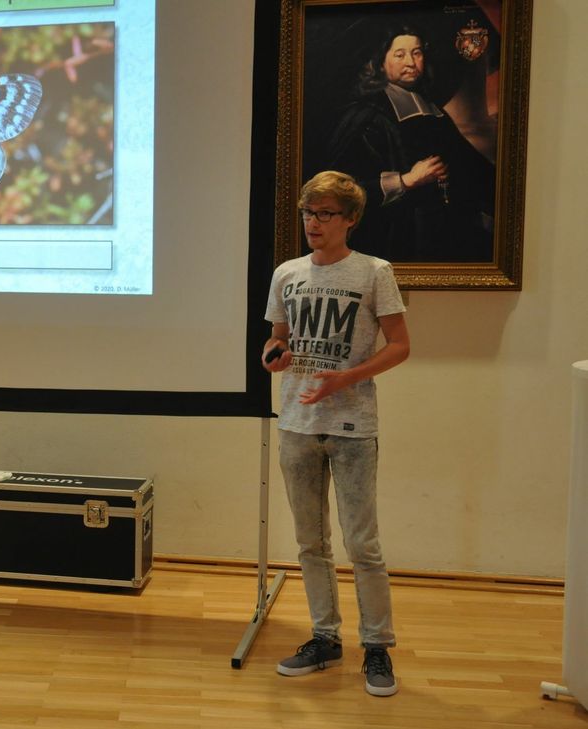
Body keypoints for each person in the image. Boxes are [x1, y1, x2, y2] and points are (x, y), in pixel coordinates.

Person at [263, 170, 410, 697]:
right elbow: (277, 340)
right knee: (310, 542)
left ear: (350, 219)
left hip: (351, 427)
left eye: (325, 214)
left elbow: (399, 345)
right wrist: (273, 358)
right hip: (297, 425)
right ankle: (325, 637)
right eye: (308, 212)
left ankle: (377, 647)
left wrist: (344, 378)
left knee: (362, 543)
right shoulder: (287, 274)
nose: (314, 222)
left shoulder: (374, 272)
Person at [325, 25, 495, 263]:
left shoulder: (433, 111)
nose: (410, 62)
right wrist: (407, 181)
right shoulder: (366, 117)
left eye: (416, 53)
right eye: (400, 54)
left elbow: (469, 163)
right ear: (380, 63)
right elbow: (337, 189)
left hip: (440, 237)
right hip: (394, 241)